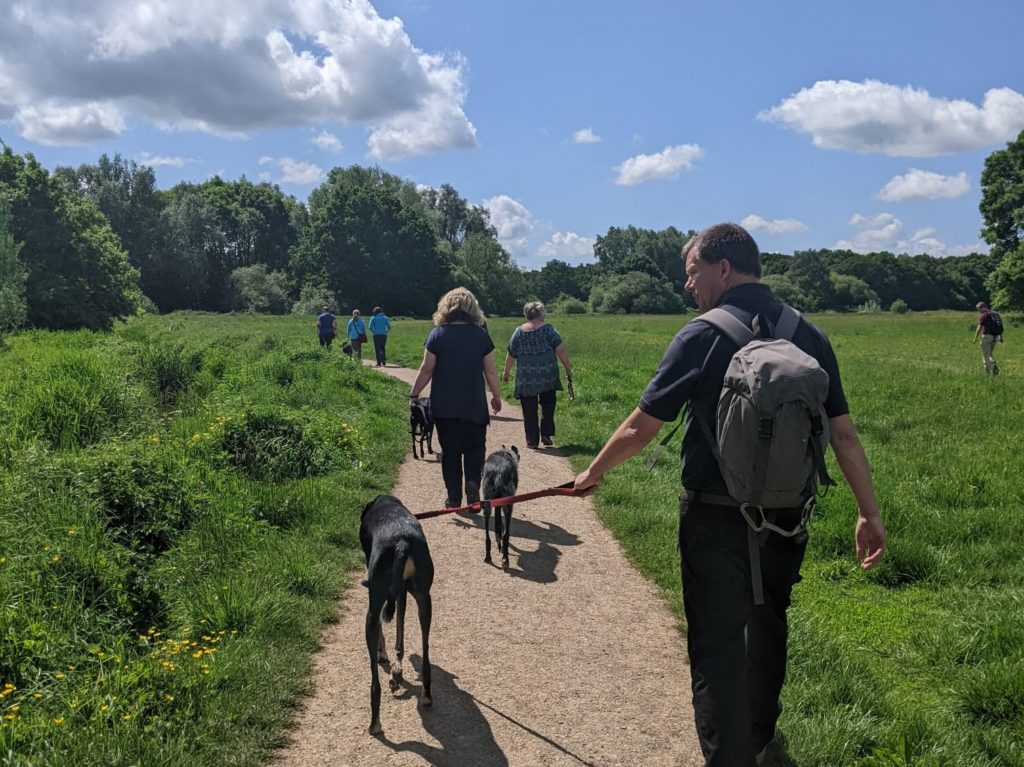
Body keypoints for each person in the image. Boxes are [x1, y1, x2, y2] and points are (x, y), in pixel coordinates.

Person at [572, 223, 887, 766]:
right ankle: (761, 740)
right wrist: (869, 513)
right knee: (769, 625)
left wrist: (593, 472)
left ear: (723, 268)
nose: (688, 286)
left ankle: (728, 757)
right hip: (787, 518)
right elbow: (844, 436)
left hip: (714, 520)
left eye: (693, 273)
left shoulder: (701, 334)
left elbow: (641, 429)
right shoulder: (807, 335)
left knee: (717, 647)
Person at [409, 288, 502, 508]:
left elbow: (426, 369)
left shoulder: (437, 334)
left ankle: (453, 497)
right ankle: (472, 483)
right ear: (473, 308)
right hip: (474, 404)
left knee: (450, 452)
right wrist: (496, 395)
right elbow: (490, 371)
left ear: (445, 307)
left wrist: (414, 394)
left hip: (444, 405)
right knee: (475, 448)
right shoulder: (481, 335)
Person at [502, 301, 573, 448]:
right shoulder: (549, 330)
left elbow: (511, 354)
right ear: (542, 314)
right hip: (547, 374)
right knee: (548, 404)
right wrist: (567, 368)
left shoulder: (519, 332)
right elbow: (560, 350)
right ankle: (546, 434)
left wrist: (506, 372)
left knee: (529, 409)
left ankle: (532, 440)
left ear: (527, 315)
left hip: (527, 377)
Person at [973, 301, 1004, 376]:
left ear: (982, 307)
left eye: (978, 310)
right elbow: (1000, 325)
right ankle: (993, 367)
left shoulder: (984, 315)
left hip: (987, 336)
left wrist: (975, 337)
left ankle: (989, 372)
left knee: (985, 355)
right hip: (995, 337)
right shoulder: (996, 314)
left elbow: (979, 327)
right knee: (990, 354)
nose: (979, 312)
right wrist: (1001, 337)